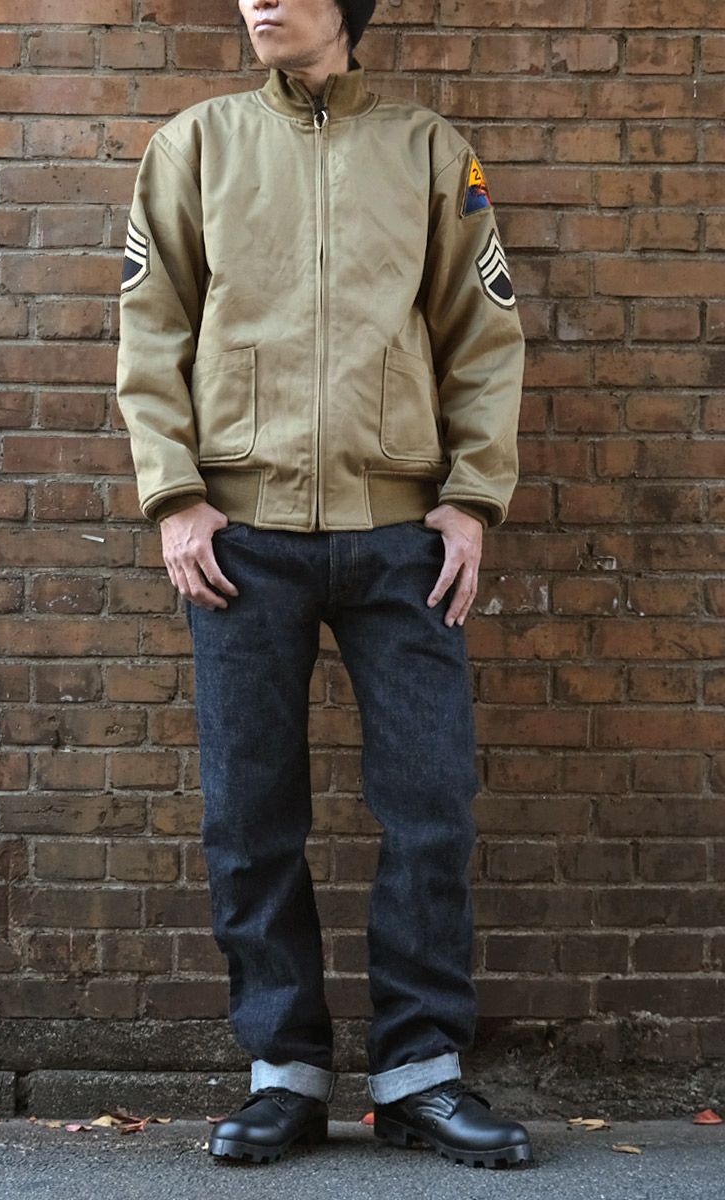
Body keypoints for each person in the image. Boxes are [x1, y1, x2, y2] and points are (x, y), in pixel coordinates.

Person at [116, 0, 533, 1171]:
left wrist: (471, 497)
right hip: (239, 544)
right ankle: (283, 1074)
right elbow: (149, 327)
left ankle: (419, 1075)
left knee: (430, 809)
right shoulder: (195, 145)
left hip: (400, 539)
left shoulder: (427, 149)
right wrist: (173, 495)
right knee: (250, 818)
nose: (259, 1)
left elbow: (481, 332)